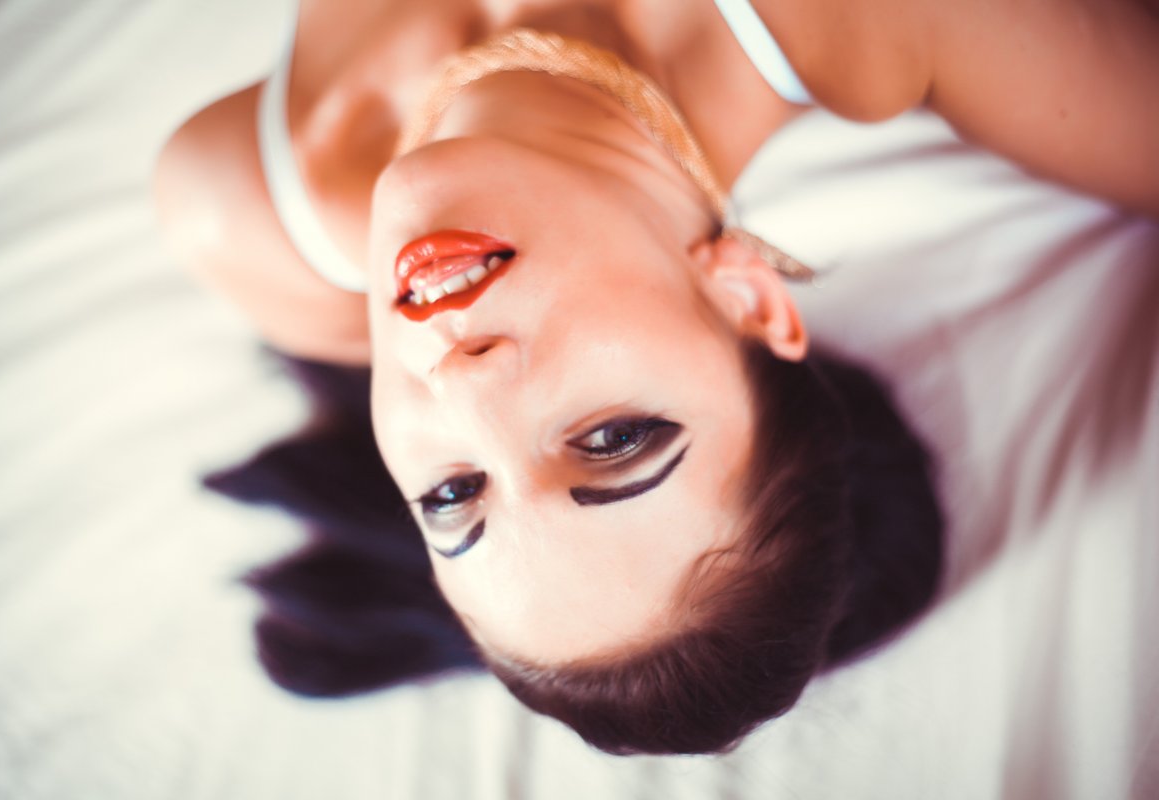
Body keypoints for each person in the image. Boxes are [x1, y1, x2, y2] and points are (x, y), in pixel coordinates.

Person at [153, 0, 1159, 754]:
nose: (466, 385)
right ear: (750, 302)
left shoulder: (247, 209)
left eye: (455, 492)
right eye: (611, 439)